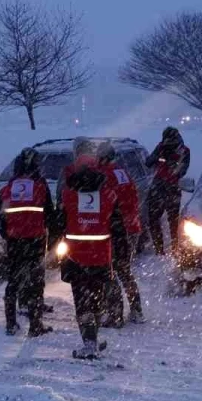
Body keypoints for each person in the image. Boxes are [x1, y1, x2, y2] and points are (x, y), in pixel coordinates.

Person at [58, 138, 120, 359]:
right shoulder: (108, 194)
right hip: (101, 255)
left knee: (81, 301)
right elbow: (117, 223)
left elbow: (59, 221)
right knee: (95, 298)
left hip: (76, 256)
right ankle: (93, 338)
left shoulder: (68, 194)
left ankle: (89, 343)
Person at [0, 147, 55, 338]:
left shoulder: (7, 189)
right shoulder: (40, 188)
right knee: (36, 281)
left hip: (15, 241)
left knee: (13, 280)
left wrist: (8, 234)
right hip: (35, 240)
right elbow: (50, 215)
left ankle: (10, 322)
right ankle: (35, 324)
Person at [97, 141, 145, 327]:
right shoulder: (122, 172)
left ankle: (114, 313)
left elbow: (105, 203)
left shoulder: (105, 175)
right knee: (125, 271)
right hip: (132, 226)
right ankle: (136, 309)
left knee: (109, 271)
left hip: (116, 229)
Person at [145, 127, 190, 255]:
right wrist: (160, 153)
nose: (169, 143)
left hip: (172, 188)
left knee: (173, 221)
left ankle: (175, 248)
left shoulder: (184, 151)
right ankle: (159, 250)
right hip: (158, 186)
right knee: (153, 219)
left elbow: (182, 171)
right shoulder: (161, 147)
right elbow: (148, 162)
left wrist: (172, 163)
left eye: (171, 140)